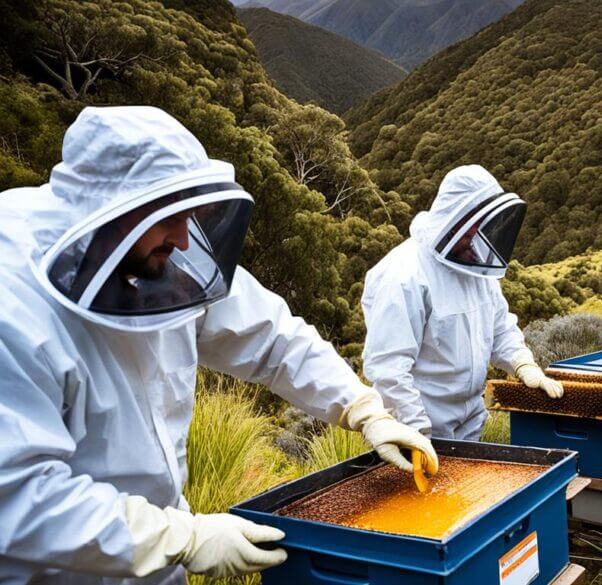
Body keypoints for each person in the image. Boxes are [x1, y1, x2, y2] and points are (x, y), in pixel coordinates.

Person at [0, 106, 437, 585]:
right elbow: (18, 497)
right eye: (169, 217)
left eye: (189, 215)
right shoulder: (15, 307)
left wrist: (362, 409)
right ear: (112, 210)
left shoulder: (155, 254)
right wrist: (181, 539)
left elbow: (273, 340)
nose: (184, 236)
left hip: (160, 561)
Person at [361, 165, 563, 440]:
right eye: (471, 226)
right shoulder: (403, 276)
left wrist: (523, 364)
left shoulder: (474, 263)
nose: (476, 234)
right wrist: (417, 432)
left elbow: (500, 328)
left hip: (470, 424)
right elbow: (389, 370)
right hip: (417, 431)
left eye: (482, 224)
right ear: (453, 217)